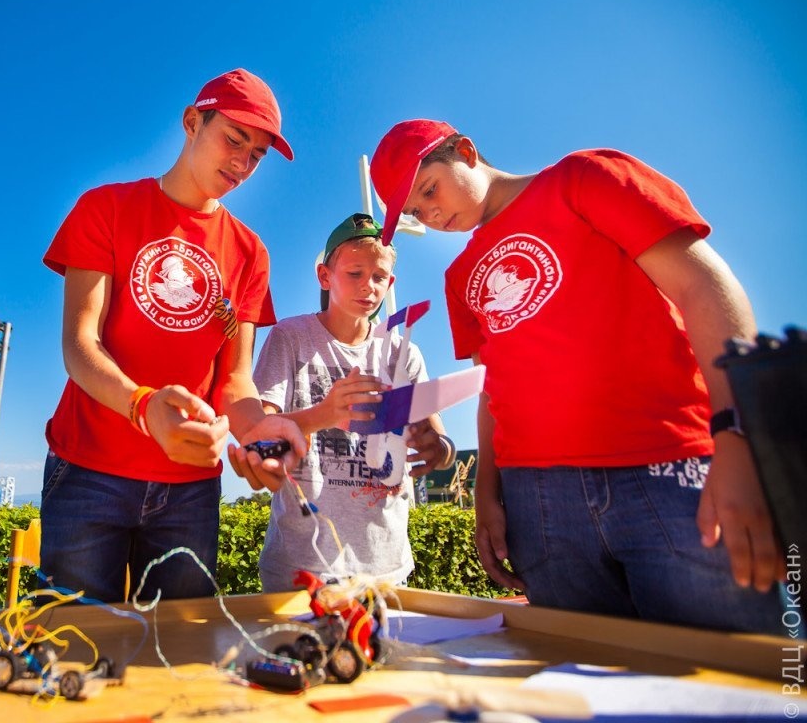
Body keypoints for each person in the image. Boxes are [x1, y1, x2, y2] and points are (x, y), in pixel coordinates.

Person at [367, 119, 785, 634]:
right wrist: (486, 494)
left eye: (429, 190)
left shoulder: (583, 178)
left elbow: (705, 285)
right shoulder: (459, 278)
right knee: (579, 672)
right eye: (415, 212)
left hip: (666, 467)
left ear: (466, 152)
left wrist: (737, 434)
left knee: (741, 663)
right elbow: (491, 389)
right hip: (539, 503)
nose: (429, 214)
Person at [40, 68, 307, 603]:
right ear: (192, 122)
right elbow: (80, 345)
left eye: (256, 155)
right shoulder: (104, 208)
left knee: (181, 644)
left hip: (190, 490)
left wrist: (259, 433)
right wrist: (143, 406)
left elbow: (234, 380)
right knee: (72, 636)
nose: (242, 163)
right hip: (89, 473)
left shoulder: (251, 253)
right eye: (234, 139)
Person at [251, 212, 455, 592]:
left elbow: (440, 441)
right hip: (301, 566)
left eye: (379, 277)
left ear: (390, 283)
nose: (368, 286)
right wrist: (325, 413)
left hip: (385, 566)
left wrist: (438, 449)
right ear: (325, 276)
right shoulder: (290, 337)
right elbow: (260, 434)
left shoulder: (403, 353)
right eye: (355, 273)